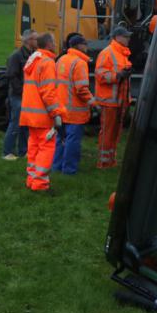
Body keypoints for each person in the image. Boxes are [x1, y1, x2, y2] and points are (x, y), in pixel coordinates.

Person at [19, 33, 65, 192]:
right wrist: (56, 114)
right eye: (54, 42)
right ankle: (40, 184)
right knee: (46, 149)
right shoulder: (48, 62)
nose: (56, 45)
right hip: (43, 116)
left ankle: (31, 180)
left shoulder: (33, 60)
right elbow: (48, 93)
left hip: (30, 115)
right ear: (49, 44)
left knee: (33, 148)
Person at [52, 35, 94, 175]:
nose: (86, 46)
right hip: (75, 112)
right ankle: (69, 170)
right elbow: (81, 89)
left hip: (61, 109)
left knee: (60, 139)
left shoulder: (61, 60)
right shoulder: (80, 63)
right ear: (79, 46)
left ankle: (56, 166)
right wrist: (93, 103)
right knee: (72, 141)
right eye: (85, 43)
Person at [95, 26, 132, 169]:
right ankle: (103, 162)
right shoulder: (107, 53)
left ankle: (110, 160)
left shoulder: (122, 53)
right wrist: (118, 76)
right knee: (107, 132)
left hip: (119, 101)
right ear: (117, 37)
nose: (128, 38)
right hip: (109, 102)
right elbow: (100, 74)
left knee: (115, 133)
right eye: (126, 36)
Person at [1, 29, 38, 160]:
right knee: (15, 123)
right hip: (18, 96)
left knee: (25, 124)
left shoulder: (33, 55)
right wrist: (22, 91)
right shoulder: (16, 56)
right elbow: (12, 76)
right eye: (35, 39)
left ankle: (24, 151)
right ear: (28, 40)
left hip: (27, 96)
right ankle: (7, 152)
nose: (37, 41)